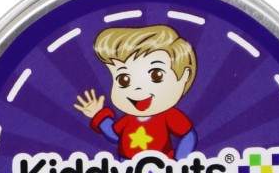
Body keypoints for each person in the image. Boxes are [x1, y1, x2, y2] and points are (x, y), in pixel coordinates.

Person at [74, 25, 197, 159]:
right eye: (123, 80)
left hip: (161, 165)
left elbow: (188, 135)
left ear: (185, 76)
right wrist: (99, 115)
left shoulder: (169, 116)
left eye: (156, 75)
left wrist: (179, 160)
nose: (137, 88)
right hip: (126, 166)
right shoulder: (129, 119)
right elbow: (115, 136)